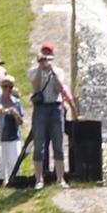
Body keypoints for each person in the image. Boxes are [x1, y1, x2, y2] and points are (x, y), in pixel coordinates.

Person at [28, 43, 78, 189]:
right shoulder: (33, 71)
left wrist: (51, 72)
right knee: (39, 143)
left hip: (55, 107)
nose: (46, 57)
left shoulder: (58, 71)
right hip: (40, 108)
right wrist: (40, 67)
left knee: (58, 142)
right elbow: (36, 86)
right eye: (44, 53)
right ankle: (39, 179)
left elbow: (60, 88)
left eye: (48, 54)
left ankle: (60, 178)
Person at [0, 78, 25, 184]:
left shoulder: (16, 102)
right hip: (0, 137)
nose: (8, 89)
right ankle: (0, 183)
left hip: (14, 137)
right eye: (5, 87)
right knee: (0, 164)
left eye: (10, 87)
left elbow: (21, 122)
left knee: (15, 162)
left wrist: (16, 114)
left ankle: (15, 182)